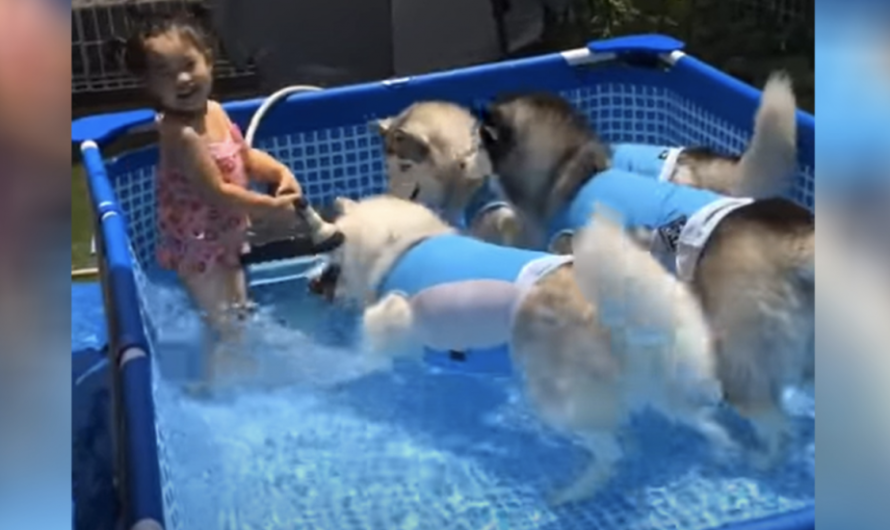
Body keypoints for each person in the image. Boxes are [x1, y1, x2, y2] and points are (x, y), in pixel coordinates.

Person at [112, 7, 341, 384]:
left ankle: (233, 369)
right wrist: (271, 208)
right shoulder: (181, 134)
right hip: (198, 247)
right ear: (151, 87)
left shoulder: (215, 111)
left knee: (237, 313)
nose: (182, 79)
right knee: (227, 324)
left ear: (208, 58)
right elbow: (215, 193)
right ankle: (211, 389)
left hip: (226, 236)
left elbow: (244, 156)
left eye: (188, 64)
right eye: (166, 74)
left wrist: (279, 172)